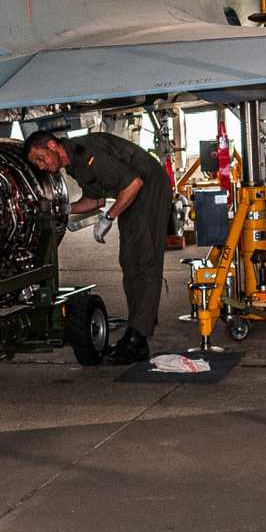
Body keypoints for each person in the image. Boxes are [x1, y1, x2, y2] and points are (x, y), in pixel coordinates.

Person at [26, 129, 171, 364]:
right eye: (37, 164)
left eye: (41, 158)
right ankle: (137, 331)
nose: (42, 166)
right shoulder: (74, 165)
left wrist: (109, 217)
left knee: (144, 263)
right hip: (134, 194)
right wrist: (63, 208)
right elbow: (94, 200)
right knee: (129, 262)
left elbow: (134, 182)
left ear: (52, 145)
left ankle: (138, 337)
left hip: (148, 189)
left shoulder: (85, 152)